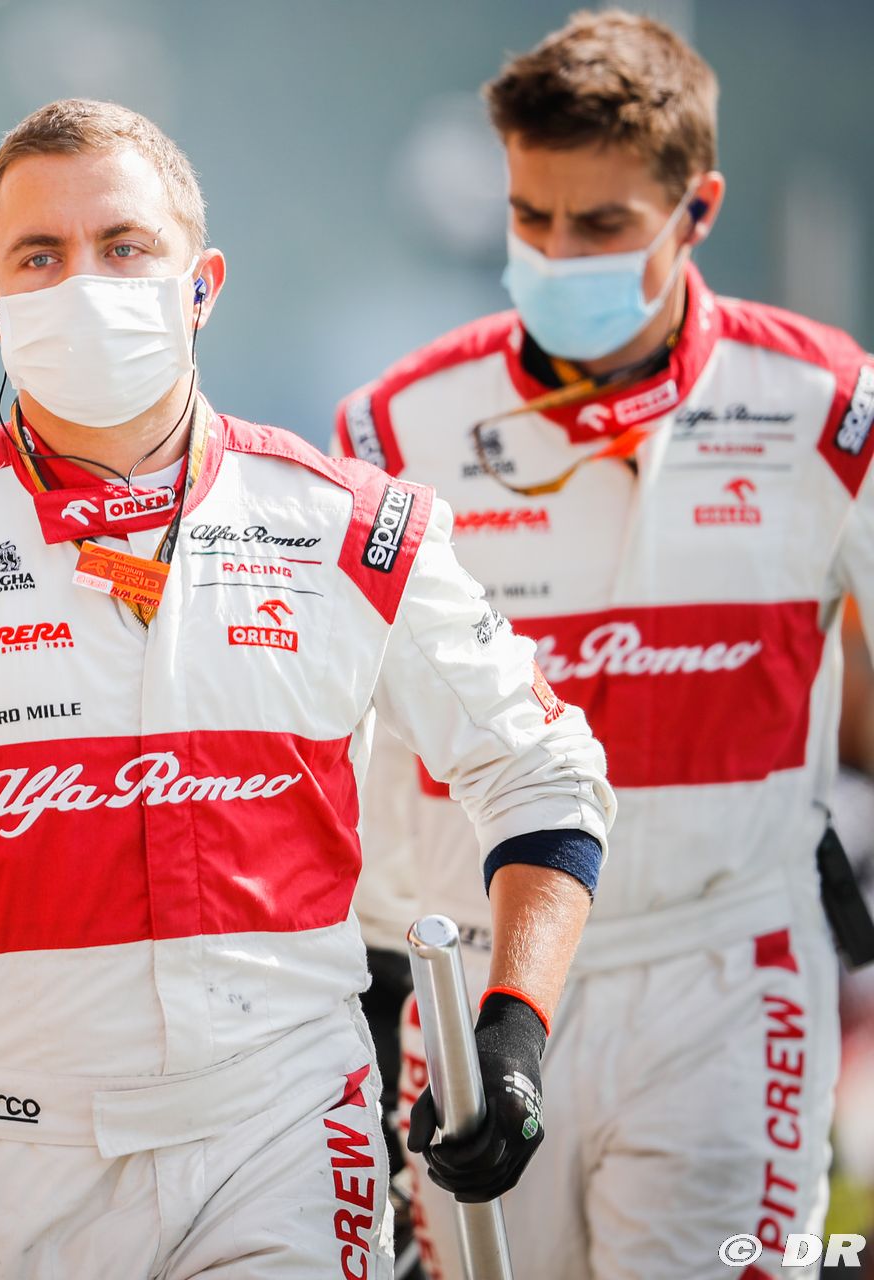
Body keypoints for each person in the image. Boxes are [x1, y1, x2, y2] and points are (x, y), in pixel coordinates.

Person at [0, 98, 614, 1280]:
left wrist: (514, 1026)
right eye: (40, 255)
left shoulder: (353, 528)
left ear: (201, 284)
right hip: (0, 1150)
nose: (85, 282)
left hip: (283, 1133)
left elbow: (543, 769)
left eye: (124, 246)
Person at [335, 12, 874, 1277]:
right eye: (531, 217)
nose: (557, 253)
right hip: (482, 982)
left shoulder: (828, 407)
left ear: (698, 210)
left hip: (730, 973)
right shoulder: (394, 426)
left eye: (602, 224)